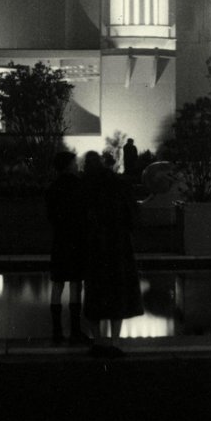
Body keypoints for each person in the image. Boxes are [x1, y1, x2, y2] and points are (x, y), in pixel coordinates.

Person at [81, 150, 144, 354]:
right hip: (118, 245)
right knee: (118, 292)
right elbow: (132, 214)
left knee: (94, 294)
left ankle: (98, 340)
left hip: (94, 245)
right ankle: (115, 341)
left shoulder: (86, 186)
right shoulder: (118, 183)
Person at [45, 149, 89, 345]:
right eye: (74, 161)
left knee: (57, 283)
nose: (77, 164)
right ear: (69, 165)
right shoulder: (79, 186)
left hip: (60, 239)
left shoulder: (53, 187)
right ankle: (75, 330)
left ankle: (57, 330)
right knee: (75, 283)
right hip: (76, 239)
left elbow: (51, 214)